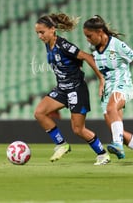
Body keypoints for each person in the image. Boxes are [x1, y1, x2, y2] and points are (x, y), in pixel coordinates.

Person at [34, 13, 111, 165]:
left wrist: (101, 78)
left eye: (42, 32)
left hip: (76, 89)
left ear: (52, 30)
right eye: (37, 33)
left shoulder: (63, 45)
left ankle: (103, 154)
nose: (39, 36)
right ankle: (61, 145)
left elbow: (88, 57)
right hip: (62, 89)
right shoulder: (48, 43)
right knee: (39, 112)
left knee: (78, 129)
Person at [83, 15, 133, 165]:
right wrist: (101, 82)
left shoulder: (117, 45)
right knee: (117, 130)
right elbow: (101, 70)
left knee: (112, 109)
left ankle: (117, 145)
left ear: (99, 32)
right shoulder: (95, 49)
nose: (88, 39)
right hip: (108, 89)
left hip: (122, 84)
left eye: (89, 36)